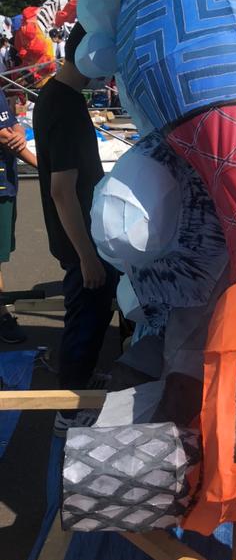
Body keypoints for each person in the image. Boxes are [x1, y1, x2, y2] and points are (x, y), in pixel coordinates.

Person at [32, 24, 118, 428]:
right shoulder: (63, 106)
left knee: (92, 315)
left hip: (82, 231)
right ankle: (69, 408)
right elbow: (61, 190)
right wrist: (87, 257)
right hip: (80, 237)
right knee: (85, 318)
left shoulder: (58, 94)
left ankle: (81, 378)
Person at [0, 85, 37, 343]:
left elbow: (11, 124)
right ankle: (1, 314)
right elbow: (4, 136)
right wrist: (45, 167)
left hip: (7, 183)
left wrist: (21, 132)